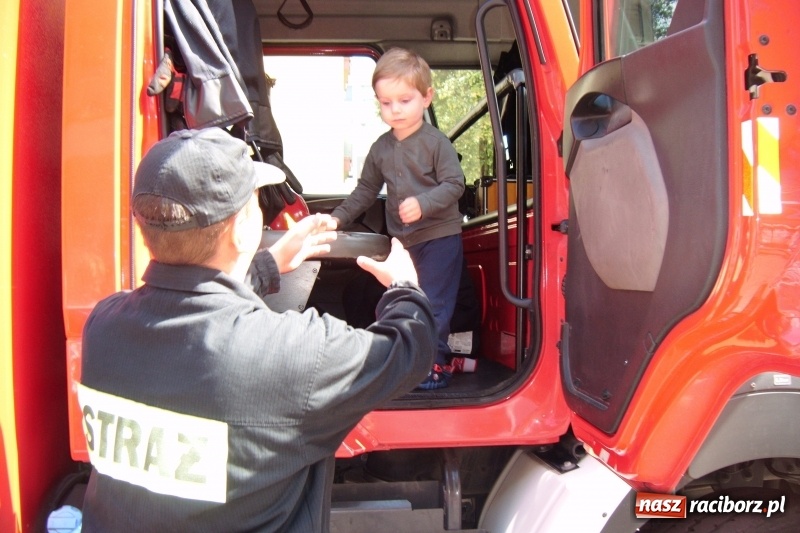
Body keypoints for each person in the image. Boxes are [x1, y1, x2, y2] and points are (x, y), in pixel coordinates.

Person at [78, 127, 436, 532]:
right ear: (243, 228)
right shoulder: (293, 356)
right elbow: (410, 349)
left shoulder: (103, 327)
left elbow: (195, 315)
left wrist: (265, 265)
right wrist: (405, 286)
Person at [330, 47, 465, 390]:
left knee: (433, 302)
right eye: (386, 103)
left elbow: (455, 184)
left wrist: (424, 203)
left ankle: (431, 364)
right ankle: (404, 361)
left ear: (426, 97)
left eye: (404, 100)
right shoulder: (380, 149)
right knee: (401, 298)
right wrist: (336, 219)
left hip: (438, 237)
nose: (395, 110)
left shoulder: (436, 144)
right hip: (402, 242)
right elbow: (364, 191)